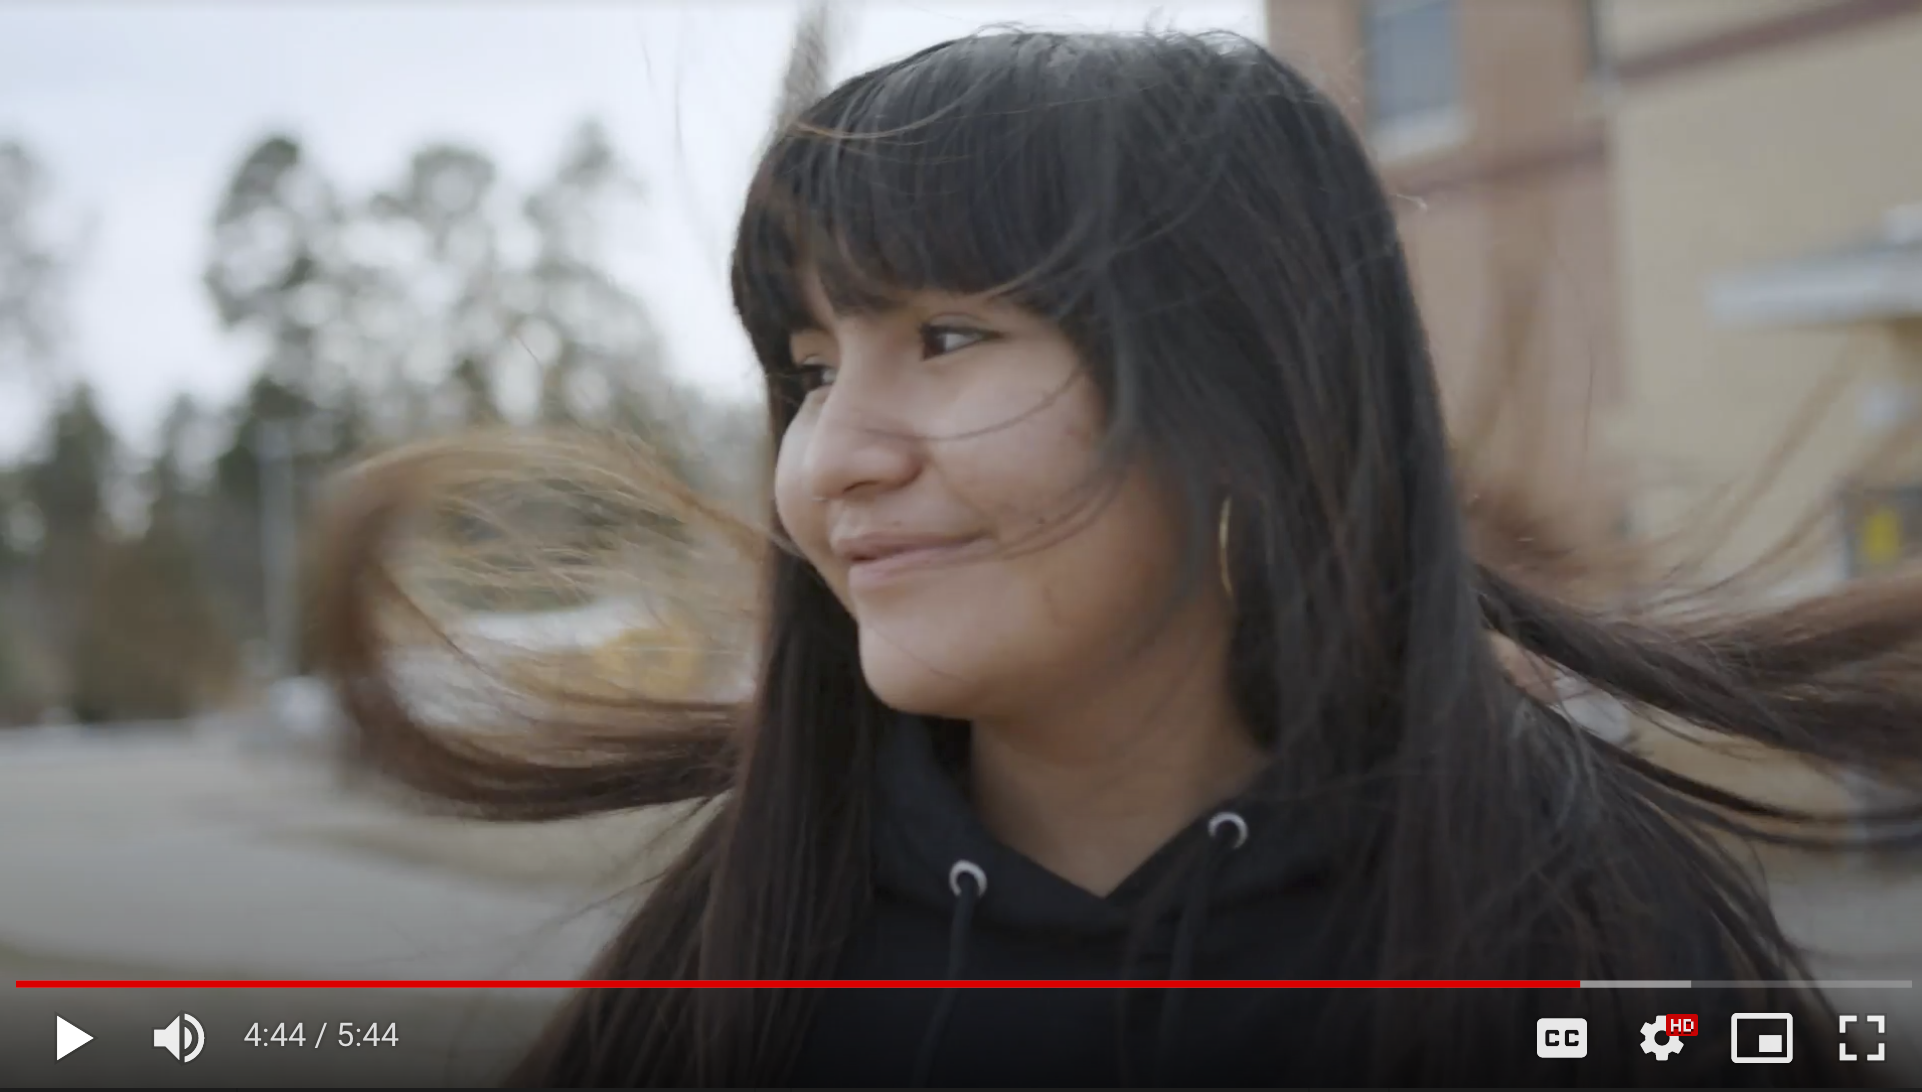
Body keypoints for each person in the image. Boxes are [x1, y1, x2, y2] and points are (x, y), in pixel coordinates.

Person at [311, 29, 1922, 1087]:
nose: (836, 456)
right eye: (809, 368)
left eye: (947, 338)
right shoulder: (727, 969)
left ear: (1249, 398)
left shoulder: (1596, 948)